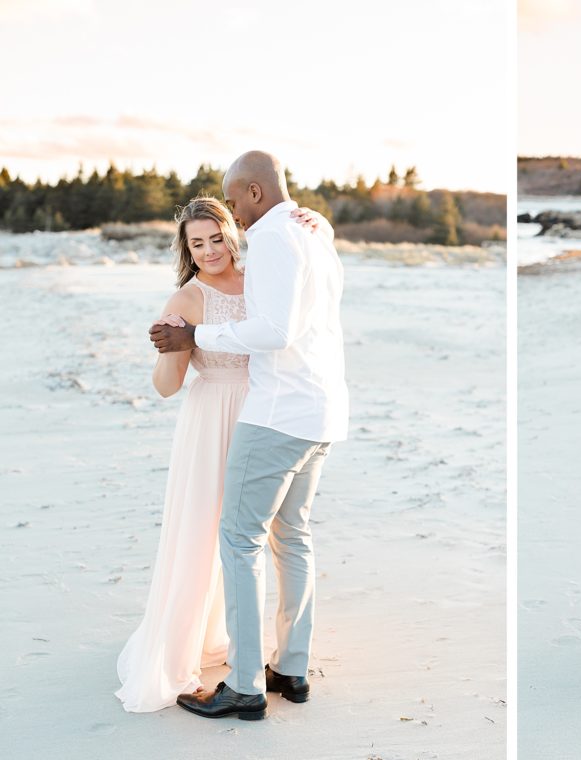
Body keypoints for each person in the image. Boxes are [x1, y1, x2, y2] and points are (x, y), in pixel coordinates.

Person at [150, 150, 348, 720]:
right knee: (294, 536)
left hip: (279, 412)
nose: (235, 216)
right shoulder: (313, 234)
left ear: (256, 194)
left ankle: (243, 684)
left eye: (235, 203)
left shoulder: (273, 239)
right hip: (322, 408)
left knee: (239, 541)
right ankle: (291, 667)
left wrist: (197, 336)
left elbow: (274, 330)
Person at [116, 197, 323, 712]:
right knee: (207, 530)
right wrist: (168, 348)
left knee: (272, 535)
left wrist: (319, 225)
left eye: (216, 237)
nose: (210, 251)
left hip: (267, 412)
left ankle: (265, 658)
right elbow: (167, 386)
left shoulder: (260, 279)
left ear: (234, 232)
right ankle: (188, 643)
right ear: (187, 249)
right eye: (197, 243)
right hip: (212, 417)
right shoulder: (188, 298)